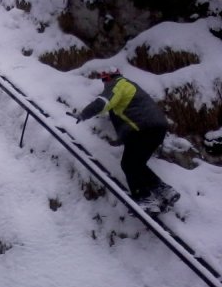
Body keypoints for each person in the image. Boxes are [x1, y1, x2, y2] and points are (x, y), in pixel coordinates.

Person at [76, 68, 180, 215]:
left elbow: (103, 102)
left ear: (110, 78)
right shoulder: (129, 85)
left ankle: (144, 199)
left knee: (129, 164)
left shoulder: (117, 84)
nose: (104, 83)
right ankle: (164, 190)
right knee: (137, 164)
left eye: (104, 79)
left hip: (143, 128)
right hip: (157, 128)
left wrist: (83, 114)